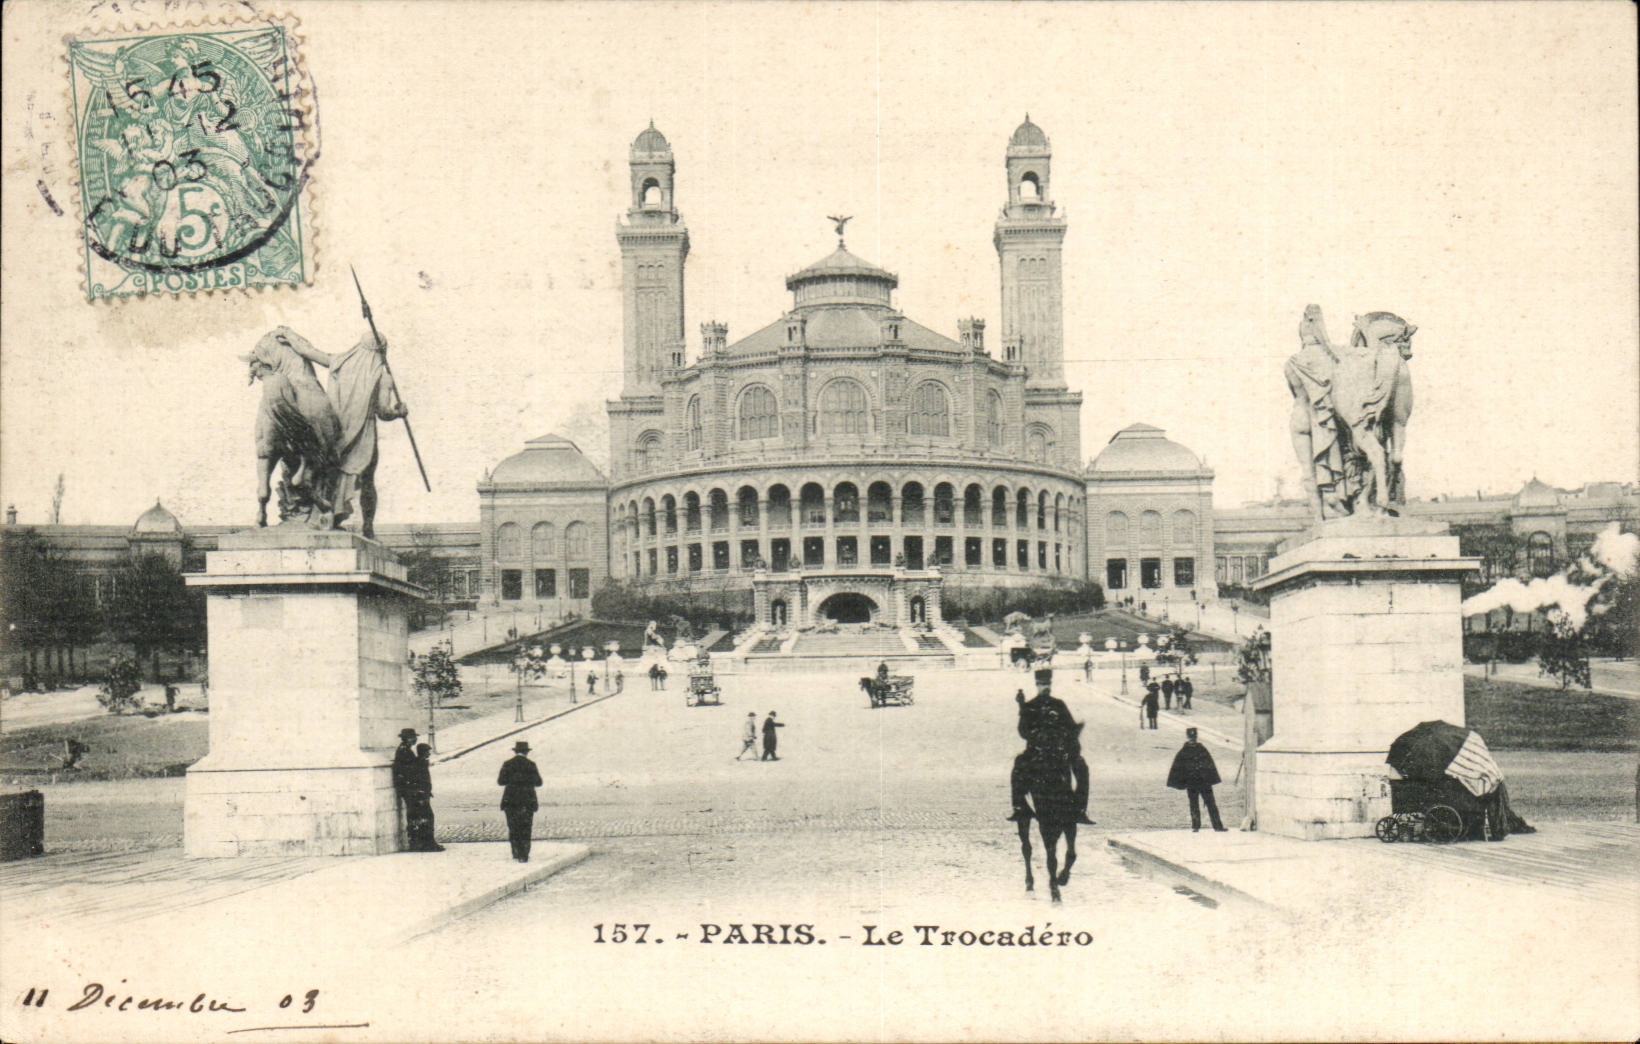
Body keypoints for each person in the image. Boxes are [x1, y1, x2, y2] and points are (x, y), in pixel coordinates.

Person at [285, 328, 409, 538]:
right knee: (367, 481)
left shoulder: (341, 362)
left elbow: (308, 352)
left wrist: (289, 336)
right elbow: (383, 412)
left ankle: (328, 514)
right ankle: (367, 527)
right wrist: (399, 412)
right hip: (364, 434)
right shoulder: (382, 376)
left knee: (333, 472)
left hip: (337, 430)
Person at [1008, 668, 1094, 824]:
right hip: (1036, 750)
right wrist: (1024, 713)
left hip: (1058, 750)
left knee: (1082, 767)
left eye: (1047, 683)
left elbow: (1070, 726)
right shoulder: (1030, 705)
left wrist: (1072, 731)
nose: (1045, 687)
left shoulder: (1059, 704)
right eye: (1042, 684)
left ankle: (1080, 809)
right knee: (1018, 765)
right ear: (1037, 685)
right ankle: (1020, 807)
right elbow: (1023, 731)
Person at [1167, 727, 1226, 831]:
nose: (1192, 740)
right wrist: (1182, 781)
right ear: (1188, 737)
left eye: (1194, 738)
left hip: (1204, 782)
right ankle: (1196, 826)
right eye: (1191, 738)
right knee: (1194, 804)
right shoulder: (1184, 752)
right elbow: (1178, 768)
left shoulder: (1201, 749)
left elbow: (1209, 765)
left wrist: (1209, 777)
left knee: (1210, 804)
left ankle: (1217, 826)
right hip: (1192, 783)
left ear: (1196, 737)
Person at [498, 740, 543, 862]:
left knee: (513, 827)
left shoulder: (507, 764)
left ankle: (516, 852)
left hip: (510, 801)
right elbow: (539, 782)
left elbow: (501, 781)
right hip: (527, 801)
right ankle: (524, 855)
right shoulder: (531, 764)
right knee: (526, 828)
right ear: (526, 752)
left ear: (516, 751)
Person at [406, 742, 445, 852]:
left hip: (424, 794)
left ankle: (428, 843)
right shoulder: (419, 763)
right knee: (427, 819)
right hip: (421, 796)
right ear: (422, 752)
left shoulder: (421, 762)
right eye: (427, 751)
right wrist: (422, 793)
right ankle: (428, 844)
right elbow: (418, 780)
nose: (429, 754)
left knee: (426, 819)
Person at [391, 727, 418, 839]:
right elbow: (403, 769)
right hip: (407, 786)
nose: (415, 739)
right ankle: (413, 837)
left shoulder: (406, 749)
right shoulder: (404, 751)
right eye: (413, 737)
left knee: (413, 811)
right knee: (412, 811)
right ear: (407, 739)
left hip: (409, 785)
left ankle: (414, 836)